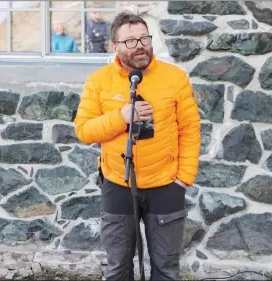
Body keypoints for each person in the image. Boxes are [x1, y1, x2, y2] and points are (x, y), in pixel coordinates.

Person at [74, 12, 201, 281]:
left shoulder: (175, 78)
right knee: (118, 267)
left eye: (144, 38)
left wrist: (183, 178)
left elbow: (190, 129)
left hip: (166, 185)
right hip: (118, 183)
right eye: (130, 41)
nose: (140, 45)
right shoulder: (99, 81)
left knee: (167, 269)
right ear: (115, 47)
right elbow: (84, 130)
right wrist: (121, 117)